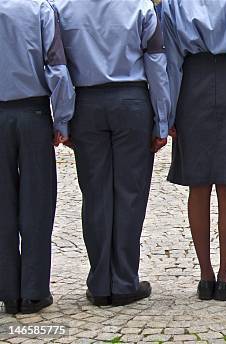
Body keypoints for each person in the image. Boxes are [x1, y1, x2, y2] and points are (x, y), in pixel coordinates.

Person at [54, 0, 170, 306]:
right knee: (130, 195)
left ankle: (100, 281)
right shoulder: (141, 7)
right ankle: (124, 280)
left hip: (87, 105)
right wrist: (161, 119)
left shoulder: (62, 8)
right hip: (131, 102)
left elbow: (59, 68)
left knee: (95, 194)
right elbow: (156, 65)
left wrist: (63, 118)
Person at [162, 0, 226, 301]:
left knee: (198, 184)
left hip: (192, 84)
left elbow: (170, 61)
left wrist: (167, 115)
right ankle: (224, 277)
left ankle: (204, 276)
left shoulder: (173, 4)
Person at [0, 0, 75, 315]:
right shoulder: (41, 10)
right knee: (37, 202)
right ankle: (33, 291)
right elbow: (56, 67)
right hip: (32, 112)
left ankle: (7, 289)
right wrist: (63, 119)